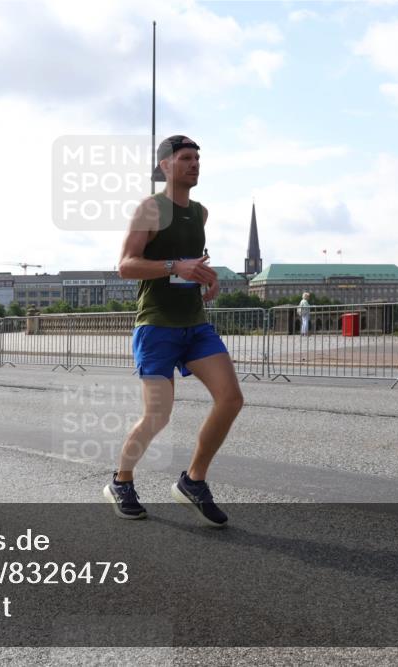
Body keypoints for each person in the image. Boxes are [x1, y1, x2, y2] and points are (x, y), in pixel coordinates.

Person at [104, 135, 243, 527]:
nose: (194, 164)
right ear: (165, 165)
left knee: (231, 399)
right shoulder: (151, 208)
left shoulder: (200, 213)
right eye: (185, 158)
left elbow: (190, 262)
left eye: (198, 158)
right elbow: (126, 265)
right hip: (157, 325)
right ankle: (122, 480)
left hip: (195, 324)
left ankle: (193, 481)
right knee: (157, 416)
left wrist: (206, 276)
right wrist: (172, 267)